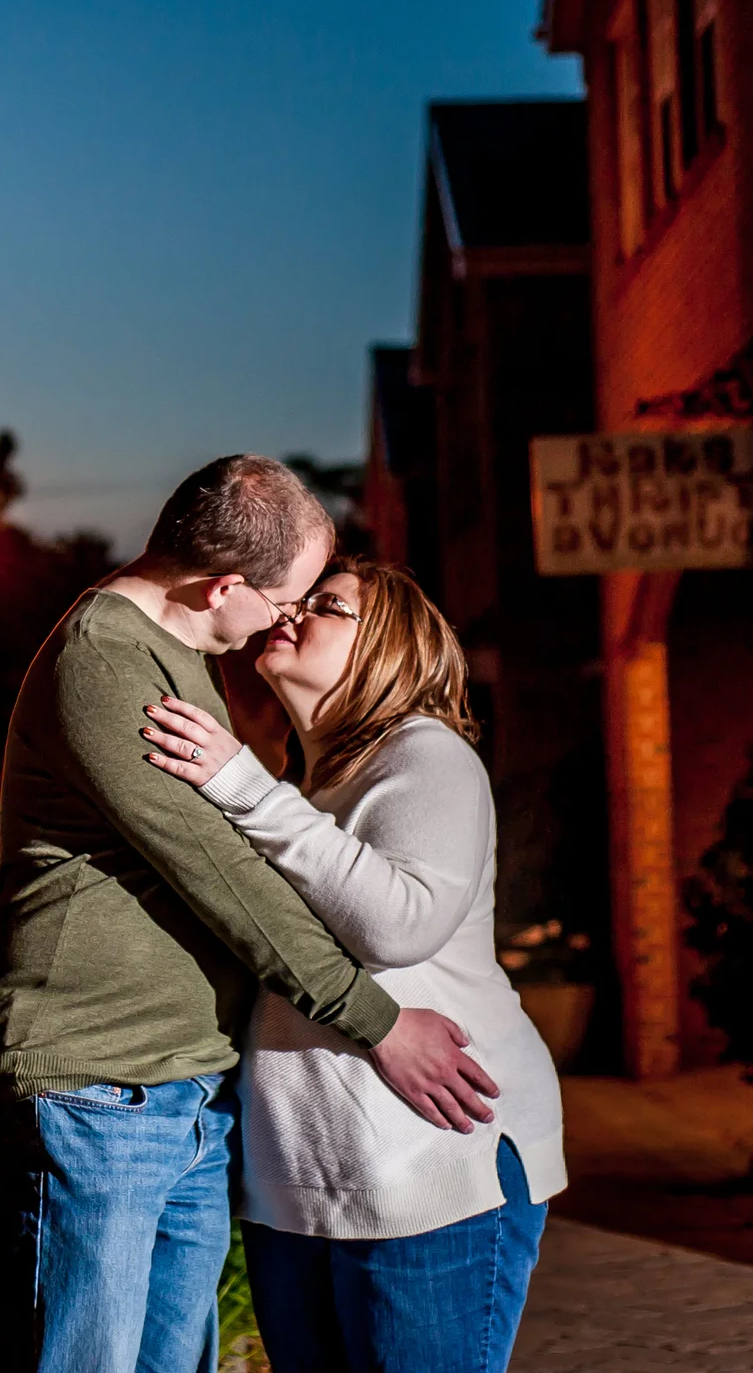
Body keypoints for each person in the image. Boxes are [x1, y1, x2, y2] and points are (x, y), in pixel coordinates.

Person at [0, 458, 500, 1373]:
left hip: (182, 1094)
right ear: (222, 586)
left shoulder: (186, 657)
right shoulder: (106, 662)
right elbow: (228, 878)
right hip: (93, 1087)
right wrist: (379, 1023)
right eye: (285, 600)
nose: (287, 620)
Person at [140, 557, 566, 1373]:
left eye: (327, 605)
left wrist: (243, 789)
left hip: (434, 1168)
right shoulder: (308, 785)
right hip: (302, 1188)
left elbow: (396, 927)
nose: (294, 611)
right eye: (298, 599)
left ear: (389, 651)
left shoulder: (426, 757)